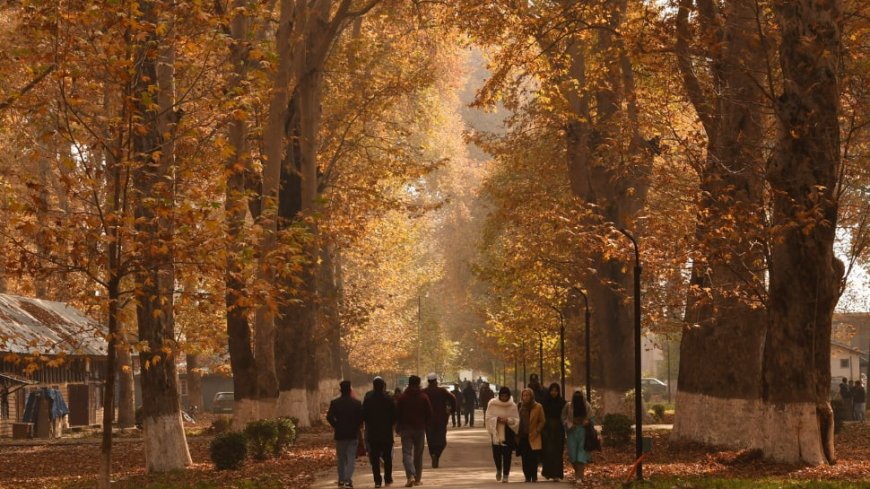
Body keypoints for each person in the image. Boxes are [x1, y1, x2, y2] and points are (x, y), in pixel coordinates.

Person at [396, 375, 433, 487]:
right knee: (418, 454)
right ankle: (417, 479)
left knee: (406, 453)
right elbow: (429, 413)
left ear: (409, 383)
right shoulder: (423, 397)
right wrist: (426, 424)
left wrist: (398, 426)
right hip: (420, 429)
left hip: (406, 429)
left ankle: (410, 476)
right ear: (418, 384)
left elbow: (397, 413)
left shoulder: (402, 397)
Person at [327, 380, 364, 489]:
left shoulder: (335, 403)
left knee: (341, 458)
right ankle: (348, 479)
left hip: (340, 434)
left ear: (340, 390)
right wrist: (356, 426)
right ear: (350, 390)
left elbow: (329, 417)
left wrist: (336, 425)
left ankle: (341, 480)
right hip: (353, 433)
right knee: (351, 457)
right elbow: (361, 417)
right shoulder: (357, 403)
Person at [363, 377, 397, 488]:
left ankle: (377, 481)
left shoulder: (368, 399)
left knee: (375, 459)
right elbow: (394, 416)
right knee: (387, 458)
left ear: (373, 386)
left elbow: (364, 416)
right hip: (386, 433)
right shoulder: (389, 399)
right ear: (383, 386)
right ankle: (388, 478)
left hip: (373, 433)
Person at [485, 386, 519, 483]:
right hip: (496, 432)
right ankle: (499, 469)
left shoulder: (512, 406)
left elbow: (517, 420)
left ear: (509, 396)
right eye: (502, 396)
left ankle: (506, 475)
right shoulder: (492, 404)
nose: (504, 398)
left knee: (507, 454)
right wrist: (496, 419)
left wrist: (508, 420)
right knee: (497, 454)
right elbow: (488, 417)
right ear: (499, 395)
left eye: (506, 396)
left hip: (508, 432)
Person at [424, 373, 456, 468]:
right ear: (436, 381)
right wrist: (452, 410)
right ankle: (437, 454)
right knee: (442, 440)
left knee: (430, 440)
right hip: (441, 419)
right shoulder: (442, 391)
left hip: (428, 420)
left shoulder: (424, 392)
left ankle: (433, 455)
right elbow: (453, 398)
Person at [563, 390, 594, 482]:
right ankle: (578, 473)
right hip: (572, 432)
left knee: (582, 454)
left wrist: (587, 422)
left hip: (583, 432)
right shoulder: (568, 406)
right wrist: (569, 423)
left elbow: (591, 418)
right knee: (573, 455)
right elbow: (563, 417)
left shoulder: (587, 406)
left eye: (579, 396)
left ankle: (579, 477)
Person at [517, 387, 545, 482]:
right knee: (525, 457)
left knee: (533, 458)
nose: (526, 397)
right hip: (523, 436)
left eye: (528, 395)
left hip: (534, 435)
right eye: (524, 395)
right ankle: (527, 476)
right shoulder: (520, 406)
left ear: (531, 396)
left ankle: (534, 475)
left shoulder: (538, 406)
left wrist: (537, 430)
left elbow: (542, 421)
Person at [540, 382, 566, 481]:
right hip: (547, 429)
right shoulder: (545, 402)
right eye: (552, 390)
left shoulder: (562, 402)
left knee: (557, 452)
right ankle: (547, 472)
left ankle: (556, 474)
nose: (554, 393)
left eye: (556, 391)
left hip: (558, 429)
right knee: (548, 451)